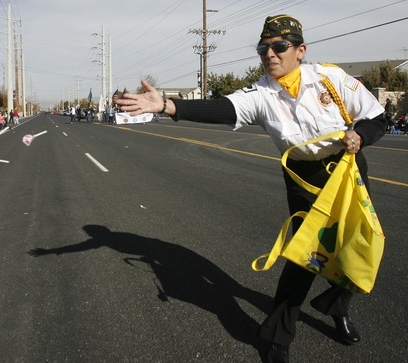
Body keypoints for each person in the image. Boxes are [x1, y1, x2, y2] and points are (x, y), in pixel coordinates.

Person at [115, 14, 387, 363]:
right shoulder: (260, 94)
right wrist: (169, 105)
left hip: (348, 172)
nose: (270, 54)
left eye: (279, 47)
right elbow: (222, 108)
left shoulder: (329, 78)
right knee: (305, 257)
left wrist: (360, 135)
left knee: (356, 247)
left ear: (300, 50)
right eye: (263, 48)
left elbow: (377, 117)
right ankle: (278, 337)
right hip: (305, 180)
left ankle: (337, 307)